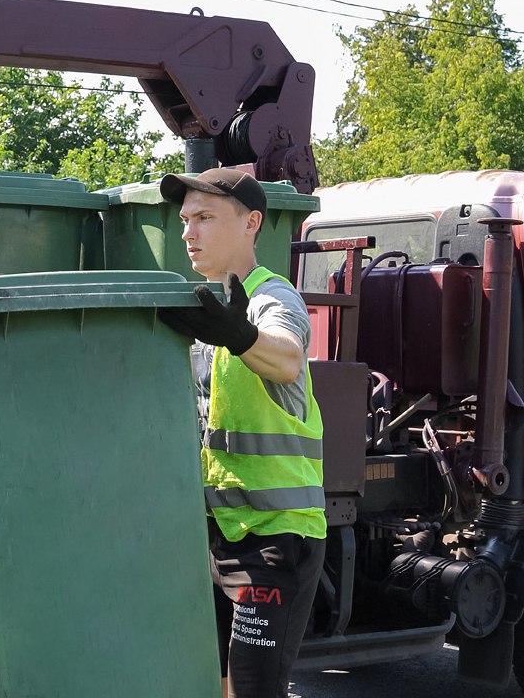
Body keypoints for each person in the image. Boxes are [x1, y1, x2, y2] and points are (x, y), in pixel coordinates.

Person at [157, 168, 325, 698]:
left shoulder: (272, 298)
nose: (189, 233)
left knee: (255, 690)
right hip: (217, 534)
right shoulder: (205, 312)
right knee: (216, 686)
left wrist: (242, 334)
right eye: (185, 220)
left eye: (205, 218)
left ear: (252, 223)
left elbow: (287, 358)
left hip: (274, 537)